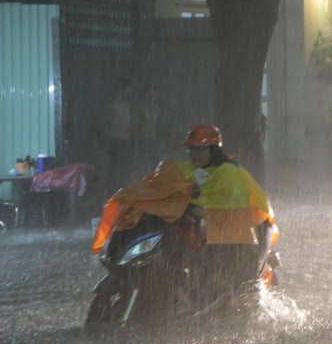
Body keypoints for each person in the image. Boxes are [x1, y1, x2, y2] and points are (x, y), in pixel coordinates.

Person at [93, 124, 276, 300]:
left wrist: (190, 209)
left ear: (214, 150)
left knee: (237, 284)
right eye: (192, 150)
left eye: (200, 150)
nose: (195, 155)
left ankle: (213, 297)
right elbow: (167, 188)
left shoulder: (230, 172)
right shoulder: (194, 170)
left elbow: (226, 205)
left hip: (245, 233)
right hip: (215, 229)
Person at [101, 78, 134, 194]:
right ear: (122, 89)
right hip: (115, 141)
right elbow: (106, 123)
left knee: (123, 170)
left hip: (124, 141)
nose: (130, 91)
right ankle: (112, 193)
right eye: (128, 89)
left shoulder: (127, 105)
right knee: (114, 170)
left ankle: (120, 192)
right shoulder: (113, 106)